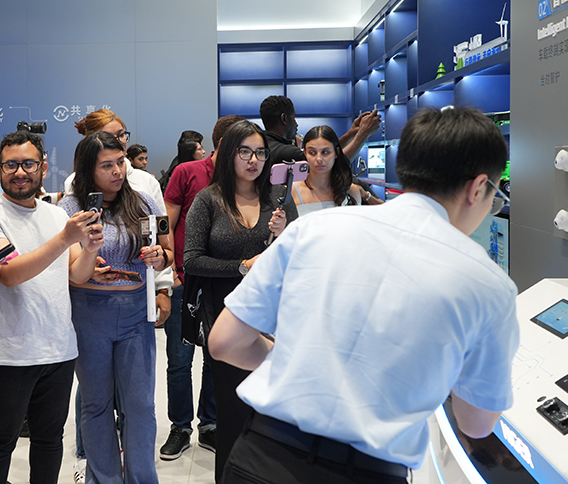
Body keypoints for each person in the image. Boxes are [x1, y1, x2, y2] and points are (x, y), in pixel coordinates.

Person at [209, 107, 519, 484]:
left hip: (261, 455)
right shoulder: (488, 284)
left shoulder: (314, 229)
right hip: (367, 471)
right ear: (478, 187)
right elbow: (476, 423)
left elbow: (225, 342)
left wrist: (295, 361)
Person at [0, 130, 102, 484]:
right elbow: (10, 274)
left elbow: (77, 274)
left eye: (28, 164)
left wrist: (89, 250)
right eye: (10, 165)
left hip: (58, 349)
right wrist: (66, 238)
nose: (19, 172)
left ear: (42, 166)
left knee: (49, 440)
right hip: (6, 353)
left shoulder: (55, 215)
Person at [182, 119, 297, 482]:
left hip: (275, 321)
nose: (253, 160)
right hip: (227, 321)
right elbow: (191, 260)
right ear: (229, 153)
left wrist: (284, 235)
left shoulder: (277, 200)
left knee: (275, 420)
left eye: (260, 153)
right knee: (233, 417)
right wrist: (242, 266)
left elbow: (294, 256)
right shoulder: (209, 199)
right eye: (245, 152)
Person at [63, 109, 173, 482]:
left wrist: (160, 259)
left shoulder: (143, 201)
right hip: (89, 311)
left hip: (135, 312)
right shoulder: (70, 208)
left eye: (120, 162)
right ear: (88, 169)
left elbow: (167, 251)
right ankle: (103, 478)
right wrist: (91, 253)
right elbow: (75, 273)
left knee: (140, 405)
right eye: (106, 165)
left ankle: (141, 477)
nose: (117, 171)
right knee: (96, 404)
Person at [158, 115, 244, 461]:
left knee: (216, 356)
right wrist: (172, 272)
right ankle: (180, 427)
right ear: (223, 144)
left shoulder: (242, 179)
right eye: (240, 147)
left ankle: (210, 424)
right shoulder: (187, 172)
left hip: (223, 284)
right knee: (179, 360)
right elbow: (166, 222)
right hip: (186, 280)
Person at [259, 95, 382, 164]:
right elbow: (333, 166)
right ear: (284, 119)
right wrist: (364, 133)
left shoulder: (267, 144)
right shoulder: (285, 152)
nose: (296, 124)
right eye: (294, 118)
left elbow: (329, 153)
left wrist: (352, 133)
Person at [291, 125, 362, 215]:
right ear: (305, 153)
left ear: (336, 152)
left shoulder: (351, 191)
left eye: (325, 152)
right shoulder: (292, 191)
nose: (319, 159)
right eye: (312, 152)